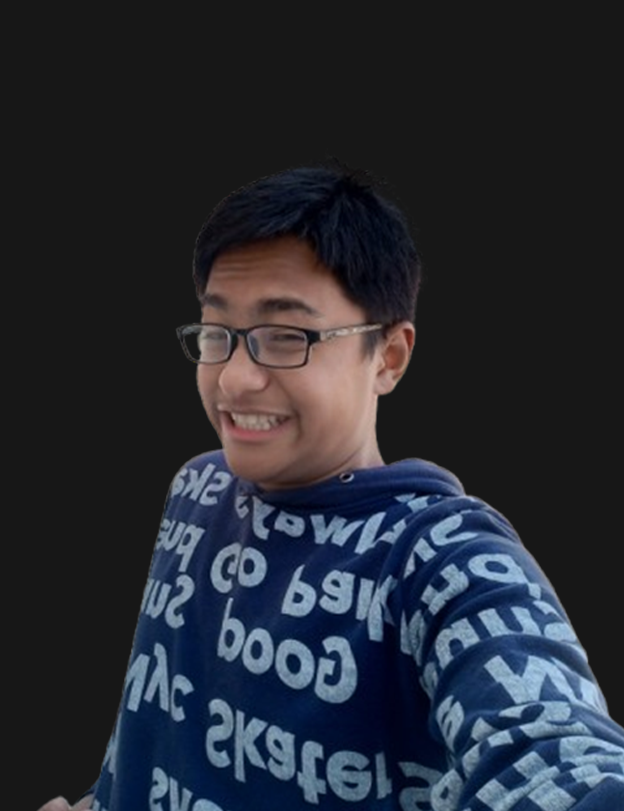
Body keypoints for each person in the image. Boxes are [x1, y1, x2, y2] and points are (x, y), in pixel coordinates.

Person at [39, 165, 624, 810]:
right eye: (217, 333)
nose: (233, 379)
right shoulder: (198, 487)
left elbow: (556, 755)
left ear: (389, 356)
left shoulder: (439, 559)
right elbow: (158, 728)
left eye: (285, 337)